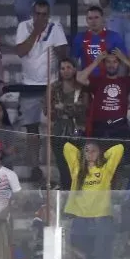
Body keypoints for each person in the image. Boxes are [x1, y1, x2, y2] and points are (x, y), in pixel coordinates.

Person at [63, 140, 125, 259]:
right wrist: (83, 156)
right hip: (80, 221)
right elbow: (67, 147)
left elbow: (119, 148)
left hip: (101, 221)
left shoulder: (105, 170)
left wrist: (101, 157)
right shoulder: (77, 170)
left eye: (93, 151)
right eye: (87, 151)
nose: (89, 154)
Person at [15, 0, 67, 183]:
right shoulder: (23, 27)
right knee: (31, 129)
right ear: (32, 13)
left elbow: (64, 54)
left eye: (44, 14)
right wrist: (36, 32)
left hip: (50, 84)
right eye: (38, 13)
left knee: (52, 128)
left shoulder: (55, 27)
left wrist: (57, 44)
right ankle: (34, 167)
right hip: (29, 84)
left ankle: (55, 167)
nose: (41, 17)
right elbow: (21, 51)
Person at [77, 49, 130, 140]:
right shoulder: (97, 81)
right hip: (100, 126)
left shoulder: (125, 81)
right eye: (108, 62)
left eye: (115, 62)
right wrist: (96, 62)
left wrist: (125, 60)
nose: (111, 65)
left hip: (120, 126)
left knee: (123, 154)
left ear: (119, 64)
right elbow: (79, 78)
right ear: (104, 64)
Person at [48, 58, 88, 190]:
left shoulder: (81, 87)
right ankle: (65, 194)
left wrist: (63, 108)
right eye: (62, 68)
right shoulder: (54, 87)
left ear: (75, 69)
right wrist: (70, 108)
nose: (65, 71)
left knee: (78, 167)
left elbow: (83, 109)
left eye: (68, 67)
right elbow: (48, 110)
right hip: (58, 131)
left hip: (78, 131)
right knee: (63, 167)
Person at [72, 5, 127, 72]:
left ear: (102, 19)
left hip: (108, 79)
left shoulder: (114, 37)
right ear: (86, 20)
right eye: (90, 18)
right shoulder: (79, 38)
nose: (93, 21)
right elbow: (74, 61)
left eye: (96, 17)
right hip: (87, 80)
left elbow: (123, 62)